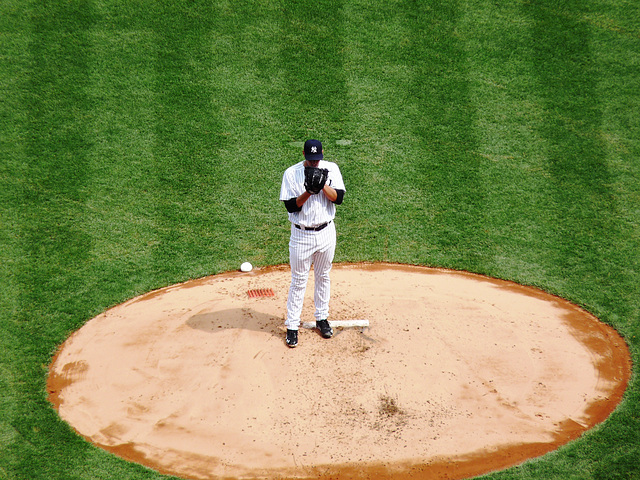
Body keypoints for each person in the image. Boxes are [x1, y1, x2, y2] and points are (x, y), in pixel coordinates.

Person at [279, 139, 346, 348]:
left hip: (326, 232)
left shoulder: (331, 169)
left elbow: (339, 198)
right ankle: (292, 326)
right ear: (303, 155)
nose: (314, 163)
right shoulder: (291, 173)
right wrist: (308, 191)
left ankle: (322, 318)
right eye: (311, 160)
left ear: (322, 154)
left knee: (323, 275)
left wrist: (322, 185)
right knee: (299, 281)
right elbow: (291, 206)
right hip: (301, 235)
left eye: (317, 159)